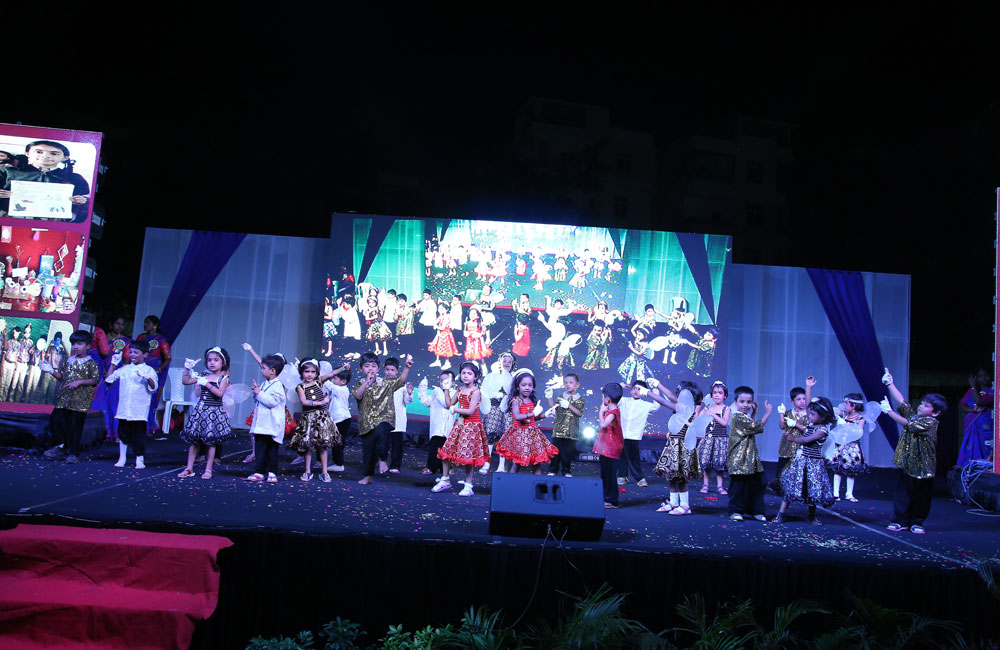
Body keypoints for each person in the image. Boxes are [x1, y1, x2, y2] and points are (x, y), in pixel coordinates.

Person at [881, 367, 946, 535]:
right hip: (907, 462)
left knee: (921, 495)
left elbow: (907, 424)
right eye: (922, 403)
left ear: (935, 413)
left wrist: (888, 412)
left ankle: (917, 521)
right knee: (903, 492)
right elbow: (902, 402)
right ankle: (900, 520)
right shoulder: (915, 416)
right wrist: (890, 384)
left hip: (924, 466)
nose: (921, 406)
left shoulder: (931, 423)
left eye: (926, 406)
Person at [774, 396, 837, 525]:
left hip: (814, 464)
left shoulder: (822, 430)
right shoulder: (811, 425)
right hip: (801, 461)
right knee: (791, 487)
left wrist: (793, 439)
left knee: (812, 490)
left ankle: (812, 516)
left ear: (823, 416)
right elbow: (806, 425)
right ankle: (780, 514)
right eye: (810, 413)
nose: (809, 416)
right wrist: (794, 423)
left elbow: (806, 440)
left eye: (813, 414)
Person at [354, 352, 413, 485]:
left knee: (382, 433)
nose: (370, 369)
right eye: (367, 366)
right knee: (368, 451)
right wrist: (367, 382)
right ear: (361, 369)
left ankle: (382, 459)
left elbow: (400, 381)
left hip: (384, 418)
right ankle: (367, 476)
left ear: (378, 368)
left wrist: (406, 367)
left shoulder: (385, 382)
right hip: (366, 422)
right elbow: (357, 395)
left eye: (373, 366)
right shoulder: (360, 383)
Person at [432, 362, 490, 496]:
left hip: (471, 427)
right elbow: (448, 404)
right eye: (463, 373)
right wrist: (446, 389)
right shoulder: (459, 390)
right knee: (446, 451)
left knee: (468, 457)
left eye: (469, 373)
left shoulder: (476, 392)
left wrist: (455, 409)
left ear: (475, 376)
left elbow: (469, 411)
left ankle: (468, 486)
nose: (466, 376)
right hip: (460, 425)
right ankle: (445, 480)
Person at [41, 330, 99, 464]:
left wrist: (80, 382)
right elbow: (62, 377)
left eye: (79, 344)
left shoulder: (91, 363)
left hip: (80, 400)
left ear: (88, 346)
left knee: (75, 426)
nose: (76, 347)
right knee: (56, 420)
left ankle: (73, 453)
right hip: (64, 397)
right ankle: (60, 446)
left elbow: (94, 380)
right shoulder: (69, 360)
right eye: (74, 344)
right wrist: (51, 370)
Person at [177, 347, 235, 479]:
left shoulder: (223, 378)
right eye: (209, 360)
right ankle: (189, 468)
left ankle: (208, 469)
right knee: (194, 441)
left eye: (216, 360)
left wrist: (207, 384)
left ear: (223, 362)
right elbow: (185, 381)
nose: (212, 362)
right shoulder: (204, 375)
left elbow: (220, 394)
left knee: (211, 442)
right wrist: (187, 369)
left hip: (213, 412)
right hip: (201, 411)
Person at [0, 140, 91, 221]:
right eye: (39, 152)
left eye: (54, 154)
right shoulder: (7, 172)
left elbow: (85, 200)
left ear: (65, 157)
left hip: (54, 221)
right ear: (27, 153)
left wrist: (81, 201)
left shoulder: (74, 178)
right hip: (11, 218)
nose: (45, 156)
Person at [104, 339, 158, 469]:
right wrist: (113, 365)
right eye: (131, 352)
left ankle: (140, 459)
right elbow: (109, 379)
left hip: (139, 411)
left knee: (138, 436)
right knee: (123, 434)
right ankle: (122, 458)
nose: (132, 355)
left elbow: (154, 387)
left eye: (136, 352)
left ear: (144, 354)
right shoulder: (125, 369)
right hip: (124, 409)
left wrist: (148, 378)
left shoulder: (149, 370)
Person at [652, 379, 702, 515]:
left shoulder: (686, 408)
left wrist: (651, 389)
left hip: (683, 446)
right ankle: (674, 502)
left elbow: (665, 400)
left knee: (681, 477)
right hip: (674, 444)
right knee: (672, 475)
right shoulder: (682, 406)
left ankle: (685, 505)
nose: (677, 395)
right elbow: (670, 396)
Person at [286, 359, 340, 482]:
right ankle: (307, 471)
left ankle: (324, 472)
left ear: (316, 373)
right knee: (308, 445)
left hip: (321, 418)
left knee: (323, 446)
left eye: (312, 372)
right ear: (302, 373)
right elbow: (304, 401)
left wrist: (343, 368)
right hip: (308, 418)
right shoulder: (300, 387)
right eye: (307, 372)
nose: (309, 374)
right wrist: (322, 402)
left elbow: (331, 374)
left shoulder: (319, 381)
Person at [495, 369, 558, 474]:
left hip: (532, 434)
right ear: (517, 387)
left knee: (537, 462)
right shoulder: (516, 401)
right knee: (517, 463)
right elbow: (518, 417)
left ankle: (538, 483)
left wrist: (545, 415)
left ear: (533, 387)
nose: (527, 387)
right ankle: (511, 482)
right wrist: (533, 413)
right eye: (524, 385)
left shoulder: (531, 400)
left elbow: (532, 419)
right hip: (519, 434)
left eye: (530, 385)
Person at [726, 386, 772, 522]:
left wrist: (754, 412)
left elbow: (750, 425)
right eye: (742, 401)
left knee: (756, 485)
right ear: (735, 402)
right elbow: (755, 427)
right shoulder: (737, 417)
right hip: (739, 459)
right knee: (738, 486)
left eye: (749, 402)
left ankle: (756, 510)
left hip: (750, 458)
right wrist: (768, 412)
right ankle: (735, 510)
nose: (745, 405)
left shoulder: (744, 416)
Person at [245, 354, 288, 483]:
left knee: (272, 449)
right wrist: (256, 392)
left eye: (263, 368)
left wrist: (260, 393)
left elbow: (272, 401)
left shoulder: (278, 385)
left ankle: (272, 471)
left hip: (271, 424)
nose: (261, 370)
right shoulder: (265, 383)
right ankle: (259, 471)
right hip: (262, 424)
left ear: (272, 371)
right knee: (260, 449)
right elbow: (259, 400)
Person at [773, 378, 814, 489]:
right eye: (798, 399)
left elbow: (808, 430)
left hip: (801, 443)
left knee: (800, 464)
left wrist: (796, 424)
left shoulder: (809, 414)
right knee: (784, 463)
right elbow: (782, 426)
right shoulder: (788, 413)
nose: (802, 401)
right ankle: (781, 486)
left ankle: (798, 487)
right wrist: (781, 414)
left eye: (804, 399)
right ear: (792, 401)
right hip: (787, 443)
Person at [828, 393, 871, 502]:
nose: (844, 405)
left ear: (853, 406)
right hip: (841, 446)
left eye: (847, 403)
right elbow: (833, 413)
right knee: (838, 469)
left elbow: (858, 432)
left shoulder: (860, 419)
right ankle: (835, 493)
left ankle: (849, 494)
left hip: (852, 447)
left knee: (851, 471)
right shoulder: (844, 415)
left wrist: (846, 426)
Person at [617, 380, 660, 488]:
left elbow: (656, 406)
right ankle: (622, 475)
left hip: (634, 435)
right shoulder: (623, 401)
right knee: (621, 456)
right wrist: (620, 386)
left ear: (644, 392)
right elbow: (612, 397)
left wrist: (654, 390)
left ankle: (639, 477)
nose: (636, 391)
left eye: (639, 389)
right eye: (634, 388)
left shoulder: (645, 405)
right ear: (631, 390)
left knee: (633, 457)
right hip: (621, 433)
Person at [134, 315, 171, 434]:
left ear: (155, 325)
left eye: (148, 323)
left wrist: (159, 368)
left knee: (149, 399)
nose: (145, 325)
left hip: (153, 372)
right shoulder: (141, 337)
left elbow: (168, 357)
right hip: (139, 370)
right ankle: (139, 426)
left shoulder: (161, 340)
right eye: (145, 322)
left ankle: (148, 427)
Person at [480, 352, 514, 474]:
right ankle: (486, 463)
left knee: (503, 438)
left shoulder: (513, 378)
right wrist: (495, 395)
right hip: (494, 408)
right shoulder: (491, 376)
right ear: (499, 362)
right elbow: (484, 391)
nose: (507, 364)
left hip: (506, 411)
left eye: (509, 362)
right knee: (491, 436)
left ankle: (501, 466)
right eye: (504, 361)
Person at [545, 373, 585, 477]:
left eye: (571, 382)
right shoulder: (561, 396)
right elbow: (554, 407)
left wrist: (568, 405)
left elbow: (579, 413)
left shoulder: (579, 399)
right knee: (555, 452)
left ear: (577, 384)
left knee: (567, 453)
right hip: (558, 429)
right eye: (566, 382)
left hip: (571, 431)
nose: (568, 384)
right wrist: (549, 398)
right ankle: (553, 470)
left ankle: (566, 471)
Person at [418, 370, 457, 476]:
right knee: (434, 447)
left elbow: (447, 404)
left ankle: (446, 468)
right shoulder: (436, 392)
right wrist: (422, 388)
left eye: (446, 381)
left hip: (448, 428)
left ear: (453, 383)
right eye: (441, 381)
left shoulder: (454, 393)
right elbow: (426, 402)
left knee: (447, 448)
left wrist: (441, 391)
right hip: (437, 427)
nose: (443, 383)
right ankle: (431, 467)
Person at [697, 381, 731, 495]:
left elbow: (724, 422)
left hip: (720, 440)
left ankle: (720, 486)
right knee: (706, 463)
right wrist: (701, 406)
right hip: (708, 439)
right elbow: (698, 418)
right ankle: (705, 484)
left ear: (724, 395)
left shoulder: (726, 408)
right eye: (715, 392)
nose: (717, 395)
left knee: (719, 464)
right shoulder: (708, 407)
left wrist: (712, 414)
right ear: (711, 395)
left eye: (720, 393)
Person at [594, 382, 624, 509]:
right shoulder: (611, 410)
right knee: (605, 474)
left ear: (607, 399)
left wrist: (600, 412)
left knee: (610, 475)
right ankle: (605, 497)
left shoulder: (613, 412)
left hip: (612, 448)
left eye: (603, 397)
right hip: (606, 447)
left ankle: (612, 499)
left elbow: (603, 424)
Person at [957, 367, 993, 466]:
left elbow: (979, 402)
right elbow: (961, 405)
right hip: (972, 425)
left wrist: (973, 386)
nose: (984, 378)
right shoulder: (971, 391)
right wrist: (972, 410)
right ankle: (967, 468)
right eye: (980, 376)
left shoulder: (993, 391)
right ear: (976, 378)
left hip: (986, 426)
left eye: (986, 375)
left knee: (986, 448)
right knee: (970, 446)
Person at [319, 362, 352, 473]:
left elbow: (327, 383)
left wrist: (321, 374)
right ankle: (337, 463)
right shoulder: (338, 390)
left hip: (342, 420)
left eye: (335, 378)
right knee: (336, 443)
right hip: (338, 419)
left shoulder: (341, 390)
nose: (332, 380)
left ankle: (339, 464)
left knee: (338, 443)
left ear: (343, 381)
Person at [384, 357, 414, 474]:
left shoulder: (402, 384)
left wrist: (410, 393)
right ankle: (382, 463)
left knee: (397, 444)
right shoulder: (381, 383)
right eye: (387, 369)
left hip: (398, 419)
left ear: (397, 371)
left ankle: (395, 466)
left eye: (392, 370)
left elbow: (407, 401)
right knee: (383, 443)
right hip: (384, 418)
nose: (389, 372)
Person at [427, 302, 458, 370]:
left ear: (446, 309)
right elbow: (435, 322)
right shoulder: (441, 316)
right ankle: (437, 361)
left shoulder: (447, 317)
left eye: (442, 309)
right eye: (439, 308)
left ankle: (447, 363)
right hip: (440, 334)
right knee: (437, 346)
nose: (440, 310)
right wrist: (436, 325)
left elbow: (442, 327)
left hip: (446, 334)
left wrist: (436, 326)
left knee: (445, 349)